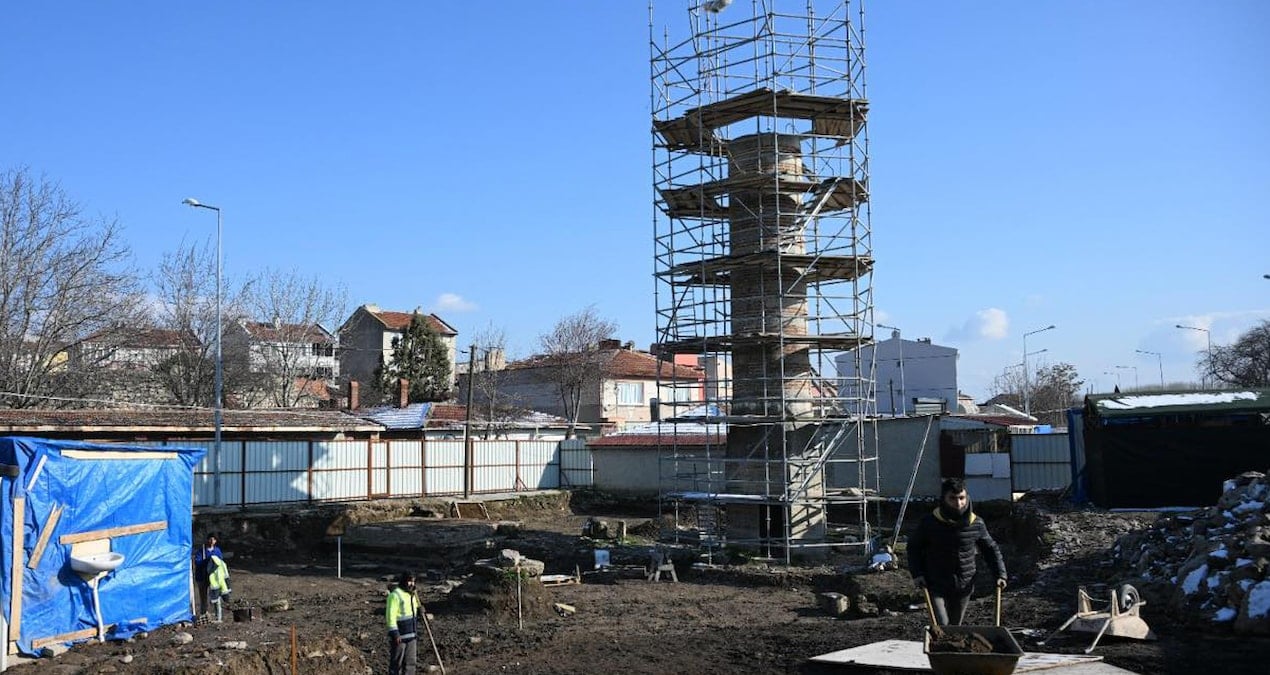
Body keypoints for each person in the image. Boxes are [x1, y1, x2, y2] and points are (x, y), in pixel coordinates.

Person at [907, 477, 1007, 626]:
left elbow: (990, 549)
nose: (958, 503)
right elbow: (914, 547)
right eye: (952, 498)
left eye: (962, 498)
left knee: (955, 627)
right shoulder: (930, 523)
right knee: (942, 625)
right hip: (935, 583)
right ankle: (940, 647)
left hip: (964, 584)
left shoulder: (976, 523)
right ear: (944, 499)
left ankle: (949, 648)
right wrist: (917, 574)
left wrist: (1000, 574)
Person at [386, 571, 421, 675]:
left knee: (411, 663)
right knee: (397, 663)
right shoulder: (395, 595)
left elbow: (412, 610)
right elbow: (390, 616)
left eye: (413, 581)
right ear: (404, 581)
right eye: (410, 581)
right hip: (400, 636)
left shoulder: (412, 595)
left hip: (412, 634)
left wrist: (419, 611)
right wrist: (395, 633)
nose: (412, 584)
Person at [193, 533, 223, 616]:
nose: (211, 541)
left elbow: (220, 562)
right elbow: (197, 562)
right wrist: (207, 561)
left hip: (214, 578)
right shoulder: (201, 551)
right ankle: (204, 614)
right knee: (203, 597)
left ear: (216, 541)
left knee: (216, 596)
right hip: (202, 577)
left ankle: (218, 616)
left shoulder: (217, 551)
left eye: (213, 539)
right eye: (210, 539)